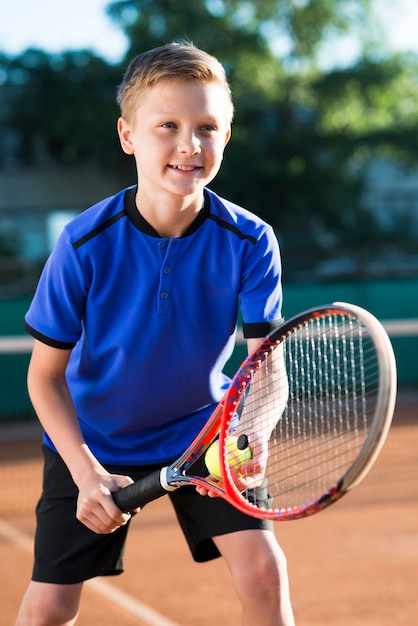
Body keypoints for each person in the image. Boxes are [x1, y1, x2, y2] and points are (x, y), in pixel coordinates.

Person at [14, 42, 295, 626]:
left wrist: (252, 431)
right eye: (167, 125)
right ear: (128, 136)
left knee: (264, 571)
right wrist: (86, 471)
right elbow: (44, 378)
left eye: (207, 127)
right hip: (95, 443)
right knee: (50, 608)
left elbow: (266, 365)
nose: (189, 144)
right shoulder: (83, 243)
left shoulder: (250, 240)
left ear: (226, 137)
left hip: (204, 438)